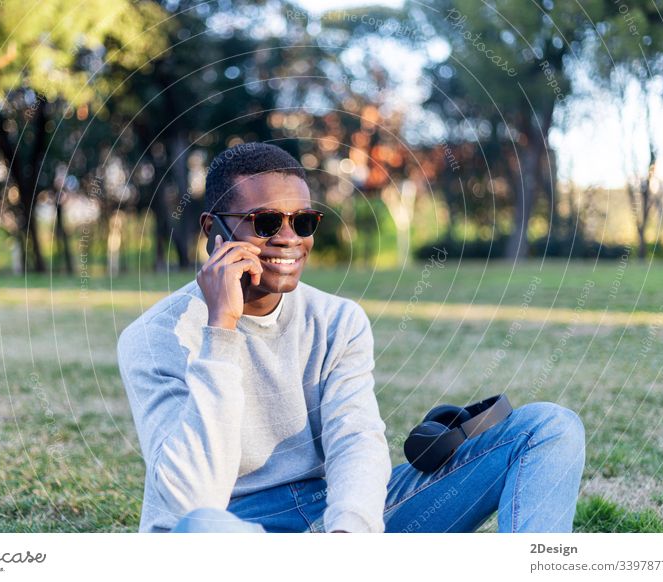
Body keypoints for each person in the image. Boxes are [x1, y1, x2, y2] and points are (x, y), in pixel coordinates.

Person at [117, 142, 586, 533]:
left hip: (332, 513)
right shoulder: (155, 338)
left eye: (302, 222)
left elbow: (355, 439)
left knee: (548, 428)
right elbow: (192, 498)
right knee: (204, 530)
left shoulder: (338, 320)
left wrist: (348, 536)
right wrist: (220, 331)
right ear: (212, 230)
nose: (288, 238)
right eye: (265, 222)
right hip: (232, 527)